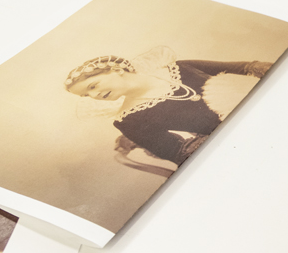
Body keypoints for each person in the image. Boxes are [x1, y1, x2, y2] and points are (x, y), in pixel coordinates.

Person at [64, 46, 271, 165]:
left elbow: (245, 68)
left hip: (265, 103)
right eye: (86, 95)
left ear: (115, 70)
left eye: (93, 85)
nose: (94, 95)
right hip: (242, 139)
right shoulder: (129, 120)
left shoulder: (178, 67)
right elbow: (178, 154)